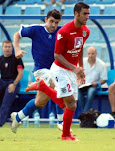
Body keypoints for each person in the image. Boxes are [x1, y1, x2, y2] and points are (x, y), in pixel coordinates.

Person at [25, 2, 90, 141]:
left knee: (70, 105)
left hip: (72, 71)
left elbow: (79, 48)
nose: (87, 17)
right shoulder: (64, 31)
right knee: (69, 103)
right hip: (60, 70)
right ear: (76, 14)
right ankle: (66, 135)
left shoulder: (86, 31)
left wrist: (81, 68)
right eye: (85, 14)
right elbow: (57, 56)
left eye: (88, 14)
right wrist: (75, 68)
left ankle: (42, 87)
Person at [10, 9, 65, 133]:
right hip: (41, 70)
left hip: (56, 69)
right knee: (58, 86)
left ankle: (18, 116)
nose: (53, 25)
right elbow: (17, 34)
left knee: (40, 102)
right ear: (46, 19)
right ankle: (62, 122)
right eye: (51, 21)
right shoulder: (36, 29)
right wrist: (17, 49)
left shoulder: (61, 31)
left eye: (56, 22)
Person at [0, 40, 24, 127]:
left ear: (12, 48)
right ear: (2, 48)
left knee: (6, 102)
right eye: (5, 47)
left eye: (9, 47)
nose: (7, 49)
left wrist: (14, 84)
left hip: (13, 82)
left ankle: (0, 123)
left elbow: (20, 73)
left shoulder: (17, 59)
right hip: (2, 81)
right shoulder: (1, 59)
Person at [78, 46, 107, 112]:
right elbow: (77, 75)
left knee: (91, 92)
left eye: (92, 53)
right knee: (77, 93)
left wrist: (97, 83)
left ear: (96, 54)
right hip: (83, 85)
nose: (90, 55)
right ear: (86, 54)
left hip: (94, 85)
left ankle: (84, 113)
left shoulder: (102, 64)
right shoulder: (81, 62)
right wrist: (79, 82)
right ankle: (86, 113)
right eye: (89, 54)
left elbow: (104, 79)